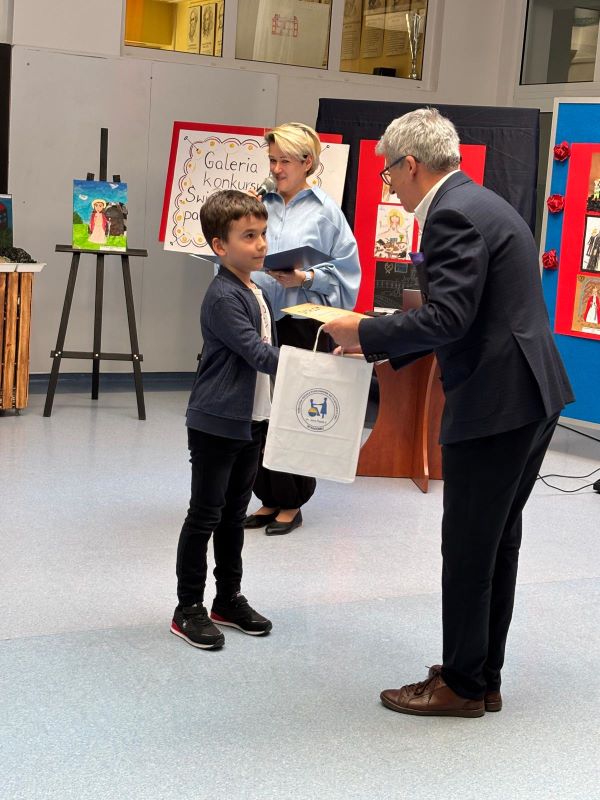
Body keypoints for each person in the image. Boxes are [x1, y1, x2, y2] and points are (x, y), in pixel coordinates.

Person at [323, 108, 574, 717]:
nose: (388, 184)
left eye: (388, 172)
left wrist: (365, 331)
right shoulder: (482, 202)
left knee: (467, 547)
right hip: (529, 393)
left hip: (497, 401)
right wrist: (379, 342)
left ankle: (461, 686)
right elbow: (472, 313)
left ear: (411, 164)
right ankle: (481, 675)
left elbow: (448, 317)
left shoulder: (451, 214)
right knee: (495, 542)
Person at [170, 190, 279, 650]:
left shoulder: (256, 289)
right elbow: (257, 353)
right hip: (217, 421)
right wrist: (314, 368)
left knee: (234, 515)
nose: (261, 244)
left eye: (263, 233)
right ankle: (188, 608)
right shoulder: (223, 296)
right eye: (248, 236)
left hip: (251, 420)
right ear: (219, 245)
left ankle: (227, 599)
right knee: (205, 515)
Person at [245, 121, 361, 536]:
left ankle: (292, 501)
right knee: (259, 410)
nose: (276, 169)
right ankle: (267, 496)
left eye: (285, 162)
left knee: (294, 409)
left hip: (301, 322)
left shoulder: (326, 212)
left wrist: (306, 277)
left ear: (307, 162)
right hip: (259, 318)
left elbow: (348, 272)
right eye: (272, 160)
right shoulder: (259, 203)